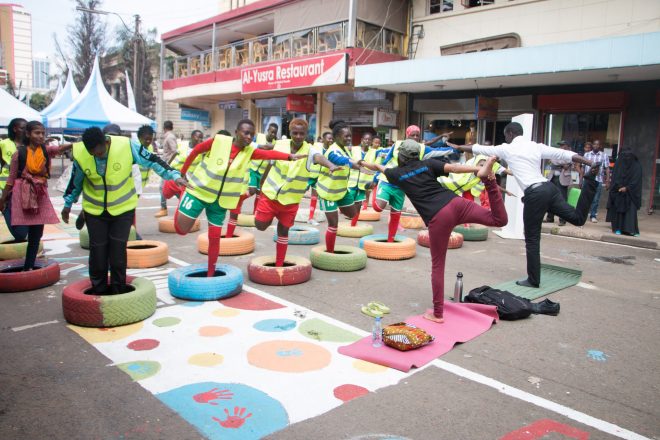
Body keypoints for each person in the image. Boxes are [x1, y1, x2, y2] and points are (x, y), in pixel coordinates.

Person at [362, 140, 507, 323]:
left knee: (438, 266)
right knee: (499, 220)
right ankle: (489, 179)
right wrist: (476, 171)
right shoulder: (427, 164)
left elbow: (377, 166)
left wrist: (361, 164)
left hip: (438, 217)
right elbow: (454, 168)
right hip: (456, 204)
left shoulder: (396, 174)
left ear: (401, 156)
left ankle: (438, 314)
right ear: (417, 156)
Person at [452, 122, 600, 288]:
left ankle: (533, 280)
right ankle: (590, 180)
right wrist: (589, 163)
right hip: (548, 189)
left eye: (506, 136)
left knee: (532, 239)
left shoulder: (507, 148)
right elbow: (566, 154)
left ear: (510, 134)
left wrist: (458, 146)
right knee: (578, 219)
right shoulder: (536, 146)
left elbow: (478, 149)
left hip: (535, 195)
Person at [171, 119, 306, 277]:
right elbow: (195, 152)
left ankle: (210, 274)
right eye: (246, 133)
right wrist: (182, 173)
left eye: (252, 135)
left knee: (215, 239)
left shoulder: (249, 152)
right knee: (181, 230)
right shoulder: (218, 142)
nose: (249, 137)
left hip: (219, 202)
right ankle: (181, 198)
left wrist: (289, 157)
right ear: (236, 132)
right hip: (198, 192)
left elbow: (268, 153)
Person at [62, 127, 187, 294]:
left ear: (106, 142)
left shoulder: (127, 146)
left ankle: (118, 290)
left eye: (99, 153)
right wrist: (68, 204)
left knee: (117, 253)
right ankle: (98, 290)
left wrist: (174, 175)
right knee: (98, 252)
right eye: (92, 154)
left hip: (122, 210)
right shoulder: (82, 154)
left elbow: (152, 160)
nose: (96, 157)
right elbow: (76, 181)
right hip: (95, 211)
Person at [254, 119, 339, 266]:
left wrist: (330, 165)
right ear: (290, 132)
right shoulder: (280, 145)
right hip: (270, 196)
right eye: (295, 133)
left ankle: (279, 265)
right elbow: (269, 161)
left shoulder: (310, 150)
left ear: (306, 134)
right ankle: (268, 217)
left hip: (290, 200)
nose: (298, 136)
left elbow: (319, 157)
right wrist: (262, 183)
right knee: (260, 226)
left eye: (302, 133)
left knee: (284, 230)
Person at [0, 121, 71, 271]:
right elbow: (11, 178)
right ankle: (8, 211)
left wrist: (77, 145)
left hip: (39, 195)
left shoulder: (45, 150)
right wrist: (3, 200)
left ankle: (28, 267)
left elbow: (59, 148)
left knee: (36, 235)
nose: (40, 136)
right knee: (20, 233)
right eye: (36, 133)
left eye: (42, 133)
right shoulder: (19, 153)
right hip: (21, 194)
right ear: (28, 134)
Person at [372, 125, 452, 242]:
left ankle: (390, 241)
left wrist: (457, 148)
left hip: (402, 184)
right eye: (412, 135)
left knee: (396, 214)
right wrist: (375, 179)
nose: (415, 137)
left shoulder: (420, 148)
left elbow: (437, 150)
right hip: (387, 181)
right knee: (378, 207)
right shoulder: (397, 145)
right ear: (407, 135)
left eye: (417, 135)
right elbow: (386, 160)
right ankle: (376, 192)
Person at [315, 120, 371, 253]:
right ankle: (329, 253)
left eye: (350, 136)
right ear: (336, 137)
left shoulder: (345, 149)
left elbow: (348, 158)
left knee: (353, 214)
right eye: (346, 136)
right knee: (333, 224)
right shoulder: (333, 151)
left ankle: (336, 208)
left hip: (341, 191)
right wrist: (357, 165)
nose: (349, 139)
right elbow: (341, 160)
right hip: (327, 192)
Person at [606, 147, 642, 236]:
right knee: (619, 210)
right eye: (625, 157)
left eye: (629, 157)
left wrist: (627, 188)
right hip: (619, 192)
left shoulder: (637, 166)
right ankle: (618, 229)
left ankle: (631, 230)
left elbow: (636, 180)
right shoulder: (619, 164)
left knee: (631, 212)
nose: (627, 159)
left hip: (631, 194)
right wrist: (620, 186)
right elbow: (615, 178)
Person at [346, 132, 378, 226]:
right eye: (365, 139)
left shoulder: (374, 152)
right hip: (351, 183)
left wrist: (373, 180)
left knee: (358, 205)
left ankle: (353, 224)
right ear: (361, 140)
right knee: (347, 203)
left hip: (363, 185)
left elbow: (375, 168)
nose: (367, 141)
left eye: (369, 140)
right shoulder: (354, 149)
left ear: (371, 142)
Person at [247, 122, 278, 213]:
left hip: (263, 172)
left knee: (259, 194)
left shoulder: (275, 143)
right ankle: (239, 200)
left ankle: (255, 213)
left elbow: (271, 162)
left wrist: (266, 175)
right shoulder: (259, 137)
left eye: (275, 133)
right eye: (271, 132)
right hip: (253, 168)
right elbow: (250, 145)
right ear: (268, 130)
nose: (272, 134)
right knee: (252, 191)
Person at [543, 140, 573, 226]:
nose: (561, 147)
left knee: (562, 199)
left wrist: (559, 163)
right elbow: (553, 161)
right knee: (550, 197)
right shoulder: (557, 152)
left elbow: (567, 164)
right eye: (560, 145)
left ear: (568, 146)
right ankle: (550, 217)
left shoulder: (570, 154)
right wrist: (561, 164)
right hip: (553, 177)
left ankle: (562, 220)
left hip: (563, 179)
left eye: (563, 145)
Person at [307, 131, 333, 225]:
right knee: (297, 194)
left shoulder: (332, 151)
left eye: (332, 139)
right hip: (308, 176)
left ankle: (310, 218)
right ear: (323, 139)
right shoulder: (316, 147)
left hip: (320, 177)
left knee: (314, 197)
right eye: (329, 138)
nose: (331, 140)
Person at [155, 120, 178, 218]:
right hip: (167, 165)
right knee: (175, 188)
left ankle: (163, 208)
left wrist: (168, 164)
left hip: (168, 167)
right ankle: (182, 204)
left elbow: (175, 151)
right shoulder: (169, 137)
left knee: (162, 187)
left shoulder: (170, 137)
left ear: (164, 128)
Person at [583, 140, 610, 223]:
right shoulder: (586, 155)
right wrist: (581, 179)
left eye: (597, 144)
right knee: (585, 198)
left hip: (598, 180)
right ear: (592, 145)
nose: (595, 146)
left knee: (595, 199)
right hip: (587, 180)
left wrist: (607, 180)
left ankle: (593, 215)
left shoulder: (604, 155)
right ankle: (583, 215)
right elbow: (583, 168)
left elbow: (607, 169)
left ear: (600, 146)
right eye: (594, 144)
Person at [0, 118, 27, 194]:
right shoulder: (3, 144)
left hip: (23, 182)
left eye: (26, 128)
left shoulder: (29, 145)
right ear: (15, 129)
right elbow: (2, 163)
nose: (25, 130)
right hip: (5, 182)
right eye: (22, 128)